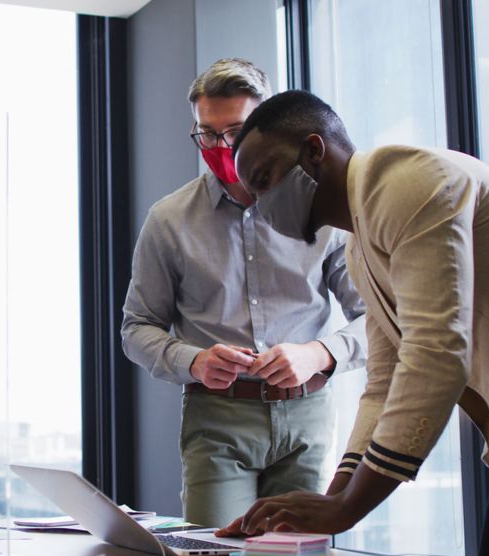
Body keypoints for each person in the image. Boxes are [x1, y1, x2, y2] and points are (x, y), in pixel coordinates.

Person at [220, 90, 489, 556]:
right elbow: (384, 384)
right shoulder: (361, 247)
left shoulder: (407, 181)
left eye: (265, 179)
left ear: (314, 151)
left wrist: (348, 506)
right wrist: (330, 501)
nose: (263, 204)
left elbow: (436, 355)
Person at [120, 59, 367, 528]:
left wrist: (320, 353)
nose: (219, 146)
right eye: (206, 134)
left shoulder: (325, 209)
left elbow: (379, 319)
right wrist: (192, 360)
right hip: (217, 421)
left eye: (233, 131)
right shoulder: (169, 219)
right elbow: (136, 328)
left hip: (307, 415)